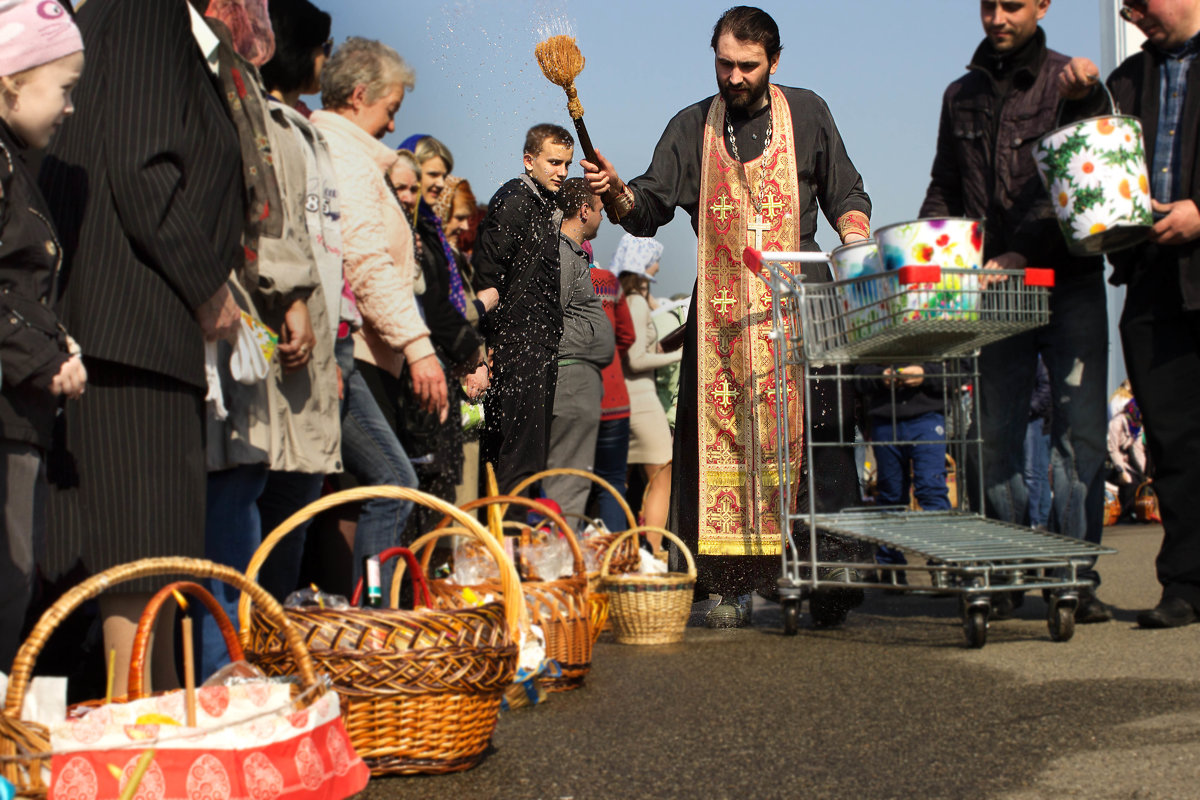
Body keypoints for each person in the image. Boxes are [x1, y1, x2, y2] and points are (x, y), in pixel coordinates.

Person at [583, 6, 872, 628]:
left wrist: (854, 239)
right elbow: (647, 207)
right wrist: (615, 190)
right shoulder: (691, 127)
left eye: (748, 65)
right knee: (719, 446)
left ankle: (827, 578)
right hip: (721, 321)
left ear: (774, 61)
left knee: (817, 440)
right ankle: (728, 585)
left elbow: (846, 190)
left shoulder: (811, 113)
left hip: (801, 309)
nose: (735, 76)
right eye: (724, 63)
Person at [39, 0, 246, 695]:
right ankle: (138, 748)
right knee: (139, 558)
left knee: (150, 561)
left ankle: (149, 733)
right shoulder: (144, 8)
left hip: (130, 328)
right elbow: (141, 164)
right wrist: (206, 284)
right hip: (130, 326)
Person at [920, 0, 1111, 624]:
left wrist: (1088, 99)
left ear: (1043, 6)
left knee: (1077, 431)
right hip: (995, 292)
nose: (997, 17)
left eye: (1013, 5)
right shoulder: (960, 95)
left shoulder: (1068, 81)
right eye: (987, 5)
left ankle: (1072, 576)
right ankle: (1003, 573)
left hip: (1069, 280)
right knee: (992, 434)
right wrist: (923, 254)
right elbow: (946, 185)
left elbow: (1089, 177)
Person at [1058, 0, 1200, 626]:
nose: (1131, 13)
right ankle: (1187, 586)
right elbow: (1089, 163)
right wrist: (1082, 100)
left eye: (1142, 2)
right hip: (1152, 283)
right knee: (1172, 443)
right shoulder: (1126, 80)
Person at [312, 38, 441, 591]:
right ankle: (372, 621)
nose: (392, 126)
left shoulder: (350, 155)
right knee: (389, 483)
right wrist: (419, 347)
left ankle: (358, 618)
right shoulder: (347, 157)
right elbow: (365, 261)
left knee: (357, 491)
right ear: (360, 95)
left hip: (364, 349)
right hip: (356, 347)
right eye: (390, 110)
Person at [0, 0, 86, 672]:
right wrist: (45, 357)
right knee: (7, 579)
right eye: (63, 88)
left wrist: (59, 340)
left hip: (19, 412)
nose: (69, 107)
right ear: (12, 81)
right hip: (7, 412)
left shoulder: (15, 168)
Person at [472, 123, 573, 504]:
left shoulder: (543, 202)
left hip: (537, 342)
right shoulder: (514, 200)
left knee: (526, 456)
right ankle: (507, 547)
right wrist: (484, 350)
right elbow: (487, 277)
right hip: (518, 344)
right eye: (553, 162)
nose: (562, 172)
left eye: (566, 163)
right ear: (529, 161)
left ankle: (507, 542)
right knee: (518, 458)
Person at [543, 177, 613, 518]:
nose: (604, 217)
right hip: (571, 379)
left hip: (577, 379)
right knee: (568, 482)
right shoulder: (564, 254)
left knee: (572, 480)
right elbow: (546, 320)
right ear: (584, 211)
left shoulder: (569, 253)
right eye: (600, 210)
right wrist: (589, 338)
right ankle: (558, 560)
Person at [613, 234, 679, 550]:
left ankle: (623, 548)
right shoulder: (636, 304)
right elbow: (637, 359)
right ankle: (654, 551)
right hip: (642, 400)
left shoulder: (624, 300)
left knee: (623, 482)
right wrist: (680, 355)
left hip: (623, 401)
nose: (658, 264)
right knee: (661, 476)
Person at [856, 362, 951, 579]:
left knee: (931, 489)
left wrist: (925, 374)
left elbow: (959, 370)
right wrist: (881, 376)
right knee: (890, 494)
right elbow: (859, 373)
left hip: (927, 416)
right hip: (885, 418)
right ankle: (891, 567)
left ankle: (941, 565)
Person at [589, 255, 636, 534]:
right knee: (613, 481)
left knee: (571, 479)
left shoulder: (557, 275)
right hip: (614, 396)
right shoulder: (608, 281)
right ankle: (615, 557)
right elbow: (627, 335)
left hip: (573, 395)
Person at [1107, 398, 1148, 523]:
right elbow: (1112, 449)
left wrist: (1142, 473)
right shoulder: (1117, 422)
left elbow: (1137, 449)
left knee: (1138, 480)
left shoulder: (1136, 426)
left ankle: (1135, 512)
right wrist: (1121, 470)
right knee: (1129, 481)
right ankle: (1124, 515)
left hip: (1126, 459)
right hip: (1111, 461)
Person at [1024, 356, 1052, 529]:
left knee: (1032, 472)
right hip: (1037, 417)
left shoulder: (1035, 360)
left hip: (1033, 418)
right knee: (1038, 472)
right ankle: (1040, 519)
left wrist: (1028, 408)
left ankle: (1034, 520)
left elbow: (1044, 387)